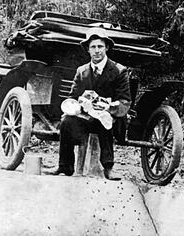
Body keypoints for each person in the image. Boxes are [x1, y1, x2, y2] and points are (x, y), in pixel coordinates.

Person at [44, 28, 131, 180]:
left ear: (107, 48)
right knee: (66, 121)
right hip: (87, 118)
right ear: (88, 50)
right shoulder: (82, 71)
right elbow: (73, 97)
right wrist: (78, 106)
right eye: (93, 47)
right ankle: (65, 166)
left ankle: (108, 168)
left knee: (105, 120)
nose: (97, 51)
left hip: (111, 119)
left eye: (100, 46)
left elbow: (125, 101)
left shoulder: (119, 71)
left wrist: (108, 107)